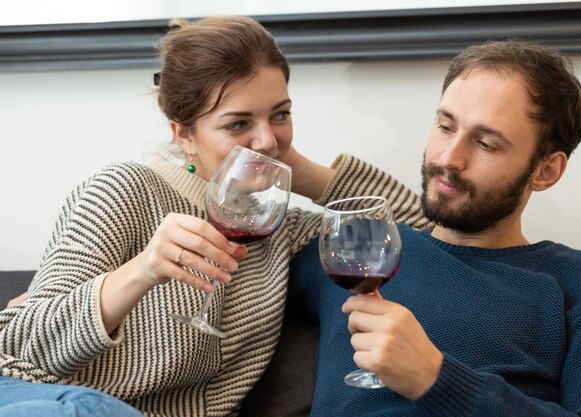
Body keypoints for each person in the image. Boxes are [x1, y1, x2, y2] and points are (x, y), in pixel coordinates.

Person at [0, 16, 427, 417]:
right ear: (183, 134)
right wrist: (143, 271)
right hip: (46, 398)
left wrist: (292, 165)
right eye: (238, 123)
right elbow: (24, 345)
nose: (264, 137)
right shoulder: (123, 190)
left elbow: (421, 229)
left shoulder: (280, 231)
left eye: (280, 113)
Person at [288, 40, 581, 416]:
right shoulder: (354, 252)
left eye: (485, 143)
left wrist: (434, 378)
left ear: (545, 171)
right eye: (446, 126)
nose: (449, 158)